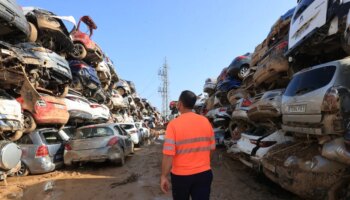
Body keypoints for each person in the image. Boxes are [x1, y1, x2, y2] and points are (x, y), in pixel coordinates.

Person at [160, 90, 215, 200]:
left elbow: (168, 155)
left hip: (181, 177)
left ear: (179, 104)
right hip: (204, 174)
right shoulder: (205, 121)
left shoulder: (173, 125)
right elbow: (212, 148)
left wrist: (164, 176)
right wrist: (204, 164)